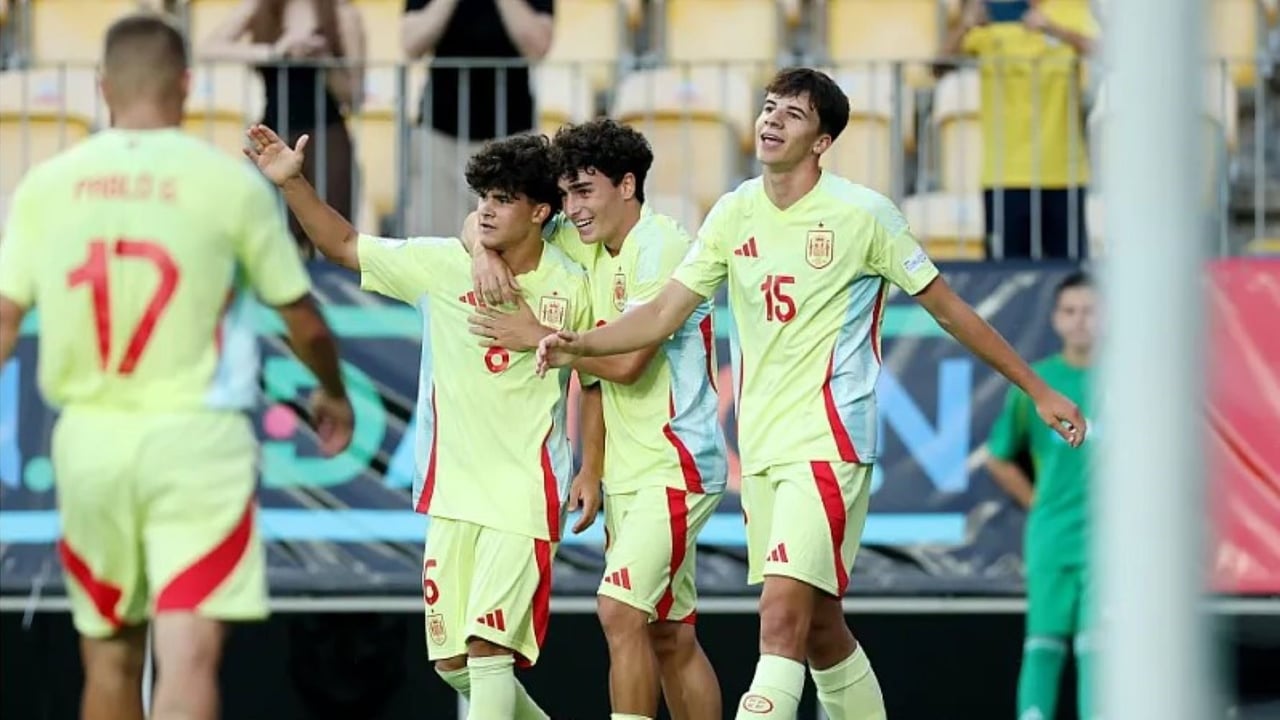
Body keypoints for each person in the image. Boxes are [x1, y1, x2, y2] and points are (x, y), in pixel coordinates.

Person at [536, 67, 1088, 720]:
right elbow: (660, 316)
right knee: (821, 627)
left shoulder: (864, 215)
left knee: (779, 620)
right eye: (768, 108)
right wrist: (579, 345)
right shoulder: (733, 211)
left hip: (828, 442)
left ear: (822, 141)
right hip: (763, 450)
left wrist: (1037, 386)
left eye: (791, 114)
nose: (770, 121)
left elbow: (948, 310)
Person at [0, 13, 354, 720]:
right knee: (187, 655)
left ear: (102, 87)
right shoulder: (228, 185)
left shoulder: (47, 184)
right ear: (188, 86)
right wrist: (333, 394)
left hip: (90, 443)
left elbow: (5, 320)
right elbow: (302, 317)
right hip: (199, 444)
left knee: (109, 658)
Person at [244, 124, 596, 720]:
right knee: (454, 663)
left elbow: (600, 374)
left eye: (503, 200)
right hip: (452, 491)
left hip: (524, 492)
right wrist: (294, 184)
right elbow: (346, 244)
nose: (485, 211)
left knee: (489, 650)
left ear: (541, 211)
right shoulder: (442, 266)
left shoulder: (574, 282)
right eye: (482, 197)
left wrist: (593, 466)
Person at [464, 118, 725, 720]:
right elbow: (480, 221)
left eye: (585, 191)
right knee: (670, 633)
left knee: (618, 610)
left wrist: (539, 336)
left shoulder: (660, 244)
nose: (571, 208)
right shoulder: (589, 245)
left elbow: (629, 362)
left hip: (676, 463)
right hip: (631, 472)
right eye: (566, 193)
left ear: (627, 185)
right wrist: (592, 466)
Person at [984, 271, 1096, 720]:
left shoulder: (1133, 382)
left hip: (1111, 541)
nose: (1080, 321)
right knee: (1044, 643)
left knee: (1101, 647)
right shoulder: (1040, 384)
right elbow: (998, 456)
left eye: (1090, 310)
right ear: (1054, 318)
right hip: (1051, 533)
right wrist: (1036, 503)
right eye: (1070, 311)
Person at [200, 0, 366, 255]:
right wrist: (275, 51)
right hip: (273, 138)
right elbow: (207, 49)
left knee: (332, 236)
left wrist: (324, 60)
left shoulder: (341, 13)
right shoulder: (259, 7)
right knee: (265, 236)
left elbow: (354, 97)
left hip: (327, 139)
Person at [942, 0, 1097, 260]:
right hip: (1005, 175)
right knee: (1003, 272)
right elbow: (938, 65)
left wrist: (1054, 29)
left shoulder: (1072, 10)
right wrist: (965, 26)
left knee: (1070, 273)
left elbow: (1108, 52)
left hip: (1064, 172)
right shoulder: (990, 14)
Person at [400, 0, 554, 236]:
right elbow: (411, 44)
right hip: (441, 132)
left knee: (512, 245)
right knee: (437, 246)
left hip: (513, 138)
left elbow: (538, 45)